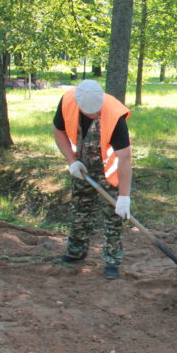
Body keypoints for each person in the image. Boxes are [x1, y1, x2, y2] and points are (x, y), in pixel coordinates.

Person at [52, 79, 132, 279]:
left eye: (98, 112)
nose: (96, 116)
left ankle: (112, 261)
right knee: (80, 210)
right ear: (79, 106)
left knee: (114, 216)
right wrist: (72, 162)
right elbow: (58, 131)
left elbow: (125, 157)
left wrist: (124, 197)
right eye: (91, 114)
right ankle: (75, 253)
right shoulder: (68, 102)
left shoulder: (115, 115)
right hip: (82, 165)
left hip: (110, 167)